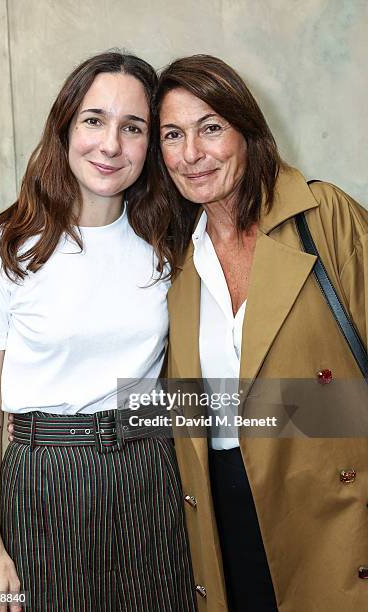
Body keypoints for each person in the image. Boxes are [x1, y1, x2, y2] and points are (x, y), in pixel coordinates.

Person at [0, 51, 197, 612]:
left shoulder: (170, 245)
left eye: (133, 127)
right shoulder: (3, 247)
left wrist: (321, 410)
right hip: (45, 480)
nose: (110, 145)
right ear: (64, 127)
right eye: (94, 120)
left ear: (151, 146)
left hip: (150, 473)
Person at [149, 54, 368, 612]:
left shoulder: (325, 216)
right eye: (173, 135)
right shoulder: (174, 259)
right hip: (223, 516)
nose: (191, 154)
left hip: (336, 511)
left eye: (211, 129)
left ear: (248, 133)